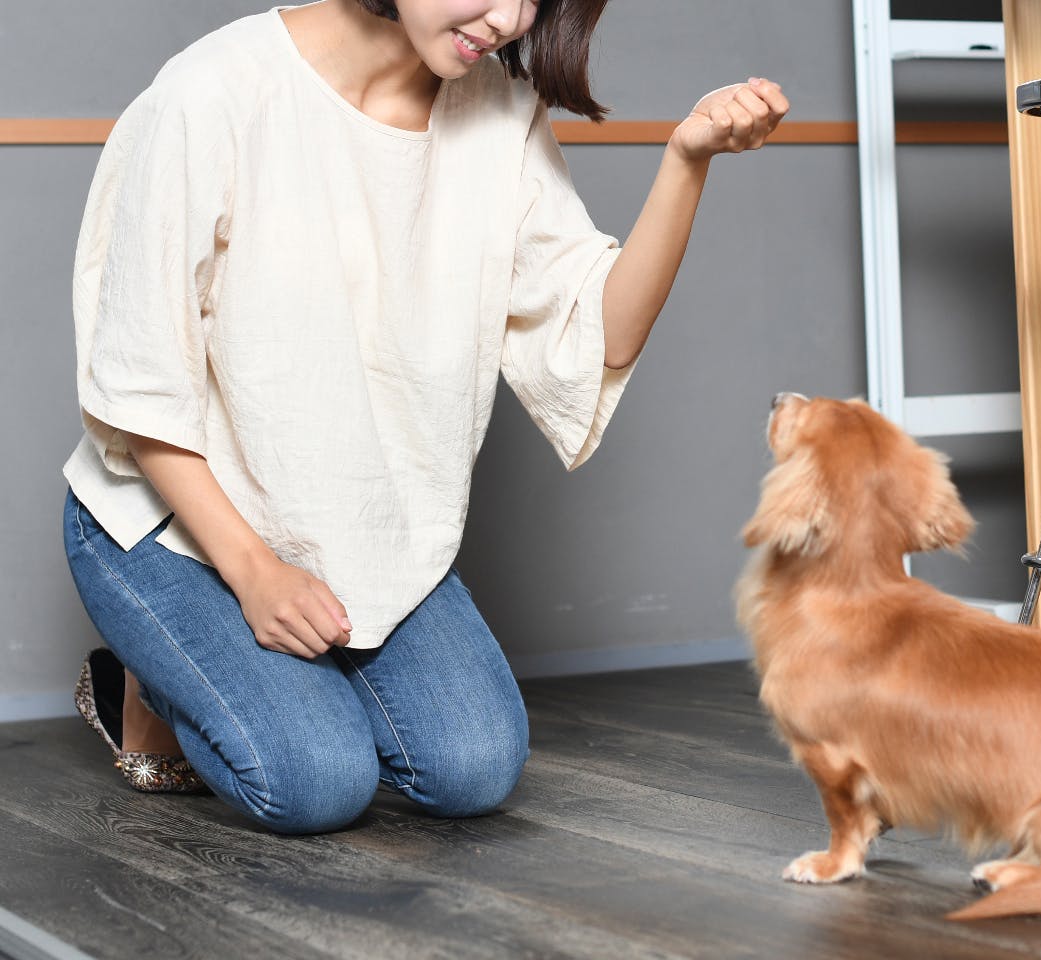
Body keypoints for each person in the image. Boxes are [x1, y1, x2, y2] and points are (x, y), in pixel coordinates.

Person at [61, 0, 787, 834]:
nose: (510, 17)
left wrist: (687, 160)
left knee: (474, 767)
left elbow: (601, 333)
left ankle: (264, 680)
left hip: (356, 531)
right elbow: (140, 386)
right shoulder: (212, 91)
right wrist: (256, 575)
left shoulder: (499, 111)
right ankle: (146, 686)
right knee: (316, 782)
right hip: (173, 525)